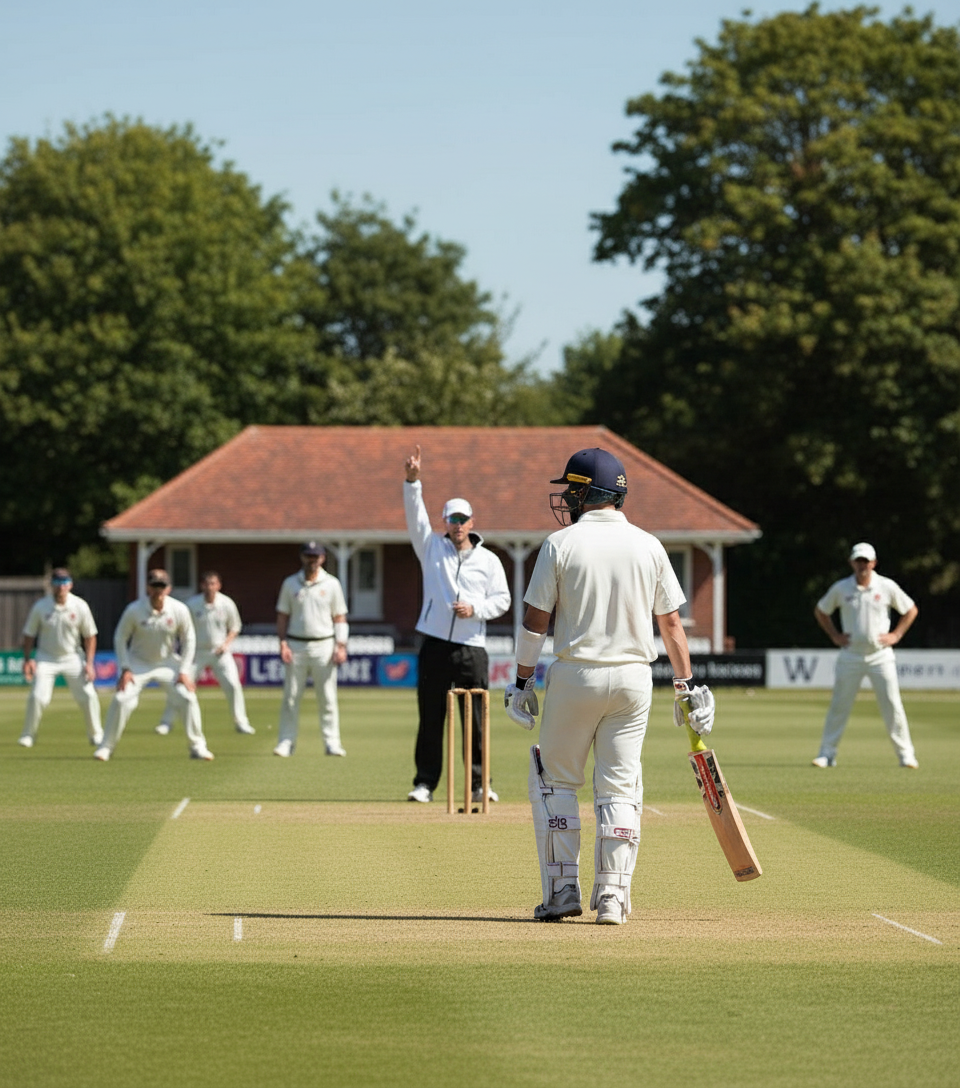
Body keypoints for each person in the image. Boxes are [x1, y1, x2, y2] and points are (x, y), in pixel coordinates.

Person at [503, 447, 715, 926]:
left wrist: (520, 681)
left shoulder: (561, 544)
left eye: (572, 489)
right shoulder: (649, 544)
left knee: (555, 781)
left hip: (577, 675)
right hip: (634, 681)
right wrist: (687, 686)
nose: (567, 498)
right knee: (619, 784)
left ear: (587, 492)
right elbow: (673, 626)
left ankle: (561, 893)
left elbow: (536, 621)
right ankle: (614, 900)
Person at [404, 444, 511, 804]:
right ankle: (424, 783)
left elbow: (503, 600)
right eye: (452, 519)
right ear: (445, 522)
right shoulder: (431, 548)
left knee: (476, 720)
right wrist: (412, 481)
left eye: (463, 519)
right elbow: (414, 517)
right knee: (431, 717)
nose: (458, 525)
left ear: (472, 522)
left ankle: (480, 784)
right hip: (434, 643)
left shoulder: (489, 560)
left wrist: (475, 609)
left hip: (473, 647)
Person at [812, 542, 919, 769]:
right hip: (850, 655)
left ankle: (906, 755)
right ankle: (827, 754)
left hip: (880, 655)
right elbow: (821, 610)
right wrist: (834, 635)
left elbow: (910, 609)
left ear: (873, 563)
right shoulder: (842, 588)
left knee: (892, 704)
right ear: (852, 562)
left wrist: (896, 634)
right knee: (839, 705)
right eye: (858, 561)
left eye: (866, 561)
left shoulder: (886, 586)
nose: (862, 565)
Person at [94, 569, 213, 762]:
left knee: (188, 698)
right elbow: (120, 637)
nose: (158, 590)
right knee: (121, 699)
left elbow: (189, 639)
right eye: (155, 586)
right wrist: (125, 668)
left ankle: (198, 747)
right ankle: (106, 747)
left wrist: (184, 671)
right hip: (138, 663)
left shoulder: (179, 609)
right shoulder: (134, 609)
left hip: (167, 663)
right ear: (148, 587)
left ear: (169, 588)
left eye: (162, 586)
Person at [155, 571, 254, 737]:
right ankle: (166, 722)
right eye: (207, 584)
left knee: (233, 686)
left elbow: (235, 627)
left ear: (219, 585)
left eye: (213, 584)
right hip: (196, 651)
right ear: (202, 585)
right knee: (180, 685)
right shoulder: (193, 604)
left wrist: (226, 644)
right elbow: (182, 627)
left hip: (220, 651)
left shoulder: (226, 603)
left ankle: (241, 722)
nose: (210, 587)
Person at [273, 542, 349, 757]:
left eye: (316, 556)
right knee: (291, 697)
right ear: (302, 557)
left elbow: (339, 617)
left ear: (323, 558)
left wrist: (340, 645)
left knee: (327, 697)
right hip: (296, 644)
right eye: (308, 555)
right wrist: (282, 643)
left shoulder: (332, 584)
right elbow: (282, 616)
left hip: (324, 645)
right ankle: (286, 741)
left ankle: (332, 742)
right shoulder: (290, 583)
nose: (312, 560)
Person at [19, 568, 102, 748]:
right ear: (52, 586)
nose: (61, 587)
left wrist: (89, 663)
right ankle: (28, 735)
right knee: (38, 697)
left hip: (72, 657)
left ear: (70, 584)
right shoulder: (41, 606)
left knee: (88, 695)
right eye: (57, 583)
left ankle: (96, 735)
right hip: (46, 658)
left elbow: (90, 636)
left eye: (64, 583)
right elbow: (29, 635)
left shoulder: (80, 606)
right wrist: (27, 660)